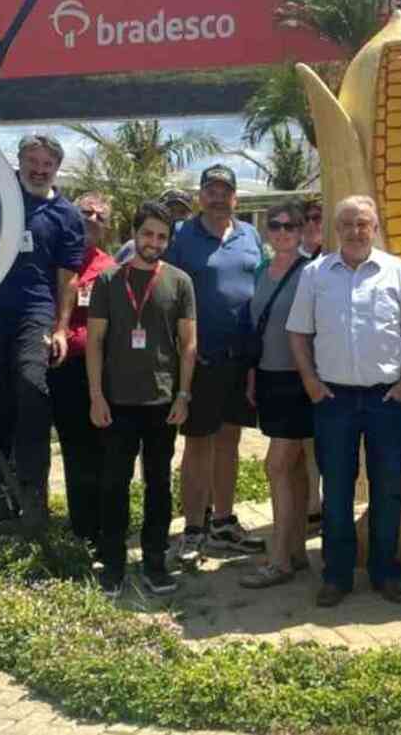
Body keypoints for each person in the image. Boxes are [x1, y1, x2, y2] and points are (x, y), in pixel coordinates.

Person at [287, 195, 401, 607]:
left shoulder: (395, 271)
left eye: (363, 223)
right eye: (347, 223)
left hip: (388, 398)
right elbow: (298, 333)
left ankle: (386, 573)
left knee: (388, 488)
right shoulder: (315, 274)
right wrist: (310, 381)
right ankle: (337, 576)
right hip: (334, 399)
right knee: (337, 490)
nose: (355, 231)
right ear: (336, 229)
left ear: (375, 227)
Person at [0, 134, 85, 532]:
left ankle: (33, 498)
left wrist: (62, 328)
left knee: (33, 392)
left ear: (56, 168)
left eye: (47, 163)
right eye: (32, 161)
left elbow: (68, 279)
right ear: (19, 161)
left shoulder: (66, 215)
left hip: (35, 314)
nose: (39, 169)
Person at [87, 201, 197, 596]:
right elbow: (95, 343)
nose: (154, 242)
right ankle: (113, 566)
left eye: (162, 236)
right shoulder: (108, 281)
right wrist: (96, 396)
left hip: (162, 402)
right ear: (134, 234)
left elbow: (188, 345)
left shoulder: (180, 282)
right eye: (148, 234)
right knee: (114, 484)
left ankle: (155, 563)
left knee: (158, 484)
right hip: (116, 402)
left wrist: (183, 395)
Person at [165, 164, 266, 561]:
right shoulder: (181, 236)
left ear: (235, 197)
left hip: (239, 358)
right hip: (199, 357)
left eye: (225, 191)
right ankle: (193, 528)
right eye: (211, 190)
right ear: (200, 195)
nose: (218, 197)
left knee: (230, 440)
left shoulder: (251, 235)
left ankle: (223, 522)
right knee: (198, 443)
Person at [240, 201, 314, 588]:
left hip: (298, 379)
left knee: (278, 466)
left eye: (291, 225)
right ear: (267, 230)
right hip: (268, 376)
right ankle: (296, 552)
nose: (283, 231)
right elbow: (258, 328)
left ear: (302, 231)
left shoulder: (311, 273)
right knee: (295, 468)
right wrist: (253, 375)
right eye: (276, 225)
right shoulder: (261, 272)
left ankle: (279, 560)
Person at [46, 192, 117, 550]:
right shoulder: (57, 261)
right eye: (85, 212)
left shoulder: (110, 268)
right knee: (75, 450)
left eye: (99, 216)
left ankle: (109, 525)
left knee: (105, 449)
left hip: (103, 372)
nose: (91, 219)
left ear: (106, 228)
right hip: (65, 369)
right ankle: (83, 529)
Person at [299, 197, 325, 534]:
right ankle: (311, 505)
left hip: (334, 363)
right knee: (307, 441)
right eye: (307, 217)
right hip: (302, 363)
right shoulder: (292, 261)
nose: (313, 222)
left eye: (318, 216)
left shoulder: (337, 257)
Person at [116, 188, 193, 264]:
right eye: (170, 210)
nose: (176, 216)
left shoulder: (192, 251)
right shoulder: (132, 247)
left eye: (182, 212)